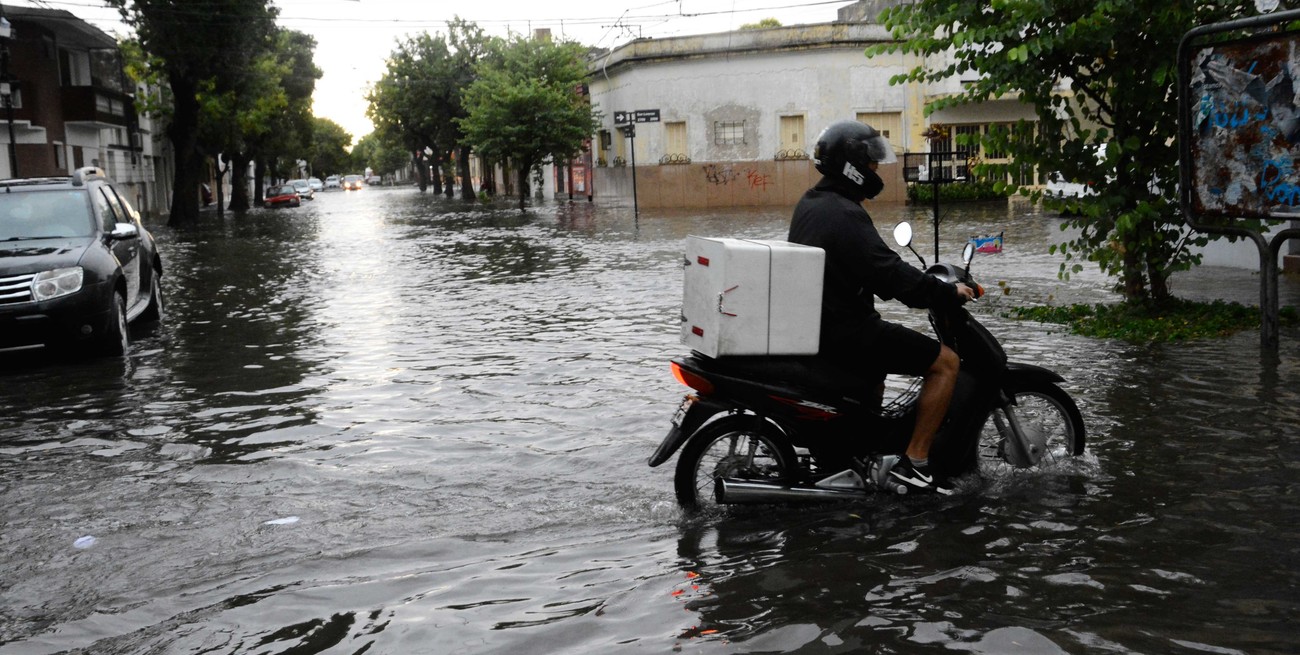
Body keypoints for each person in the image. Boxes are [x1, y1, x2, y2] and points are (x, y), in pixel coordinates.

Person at [788, 120, 976, 494]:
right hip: (846, 332)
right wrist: (945, 293)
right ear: (853, 167)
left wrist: (916, 286)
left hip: (821, 328)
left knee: (877, 373)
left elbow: (871, 269)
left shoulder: (813, 202)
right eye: (872, 165)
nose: (876, 171)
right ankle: (916, 463)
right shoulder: (844, 214)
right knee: (946, 363)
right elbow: (888, 272)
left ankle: (857, 454)